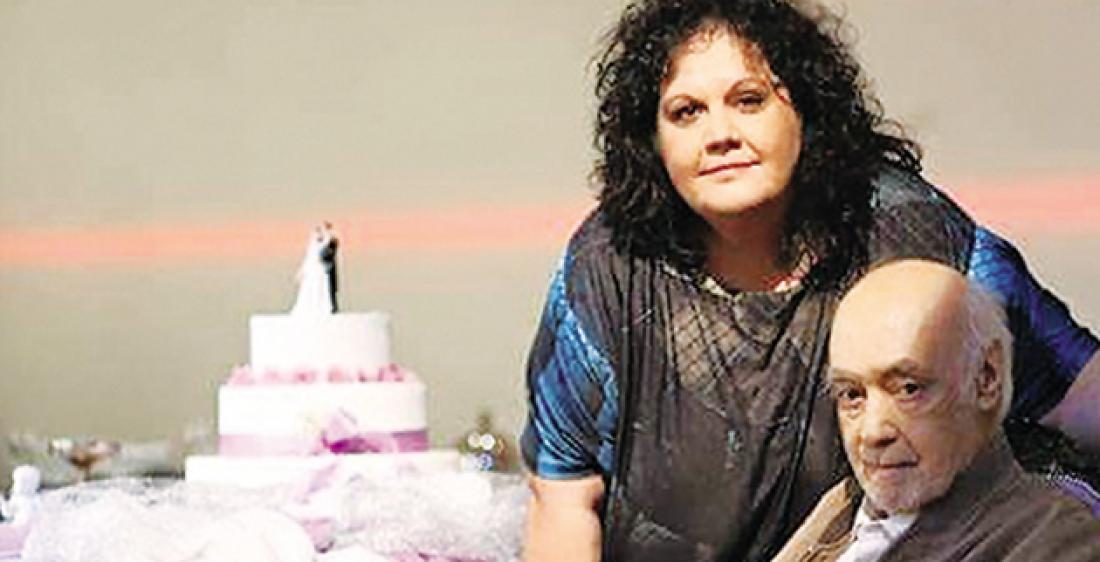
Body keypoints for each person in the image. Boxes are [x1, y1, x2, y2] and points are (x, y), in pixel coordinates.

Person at [520, 0, 1100, 560]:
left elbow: (1078, 394)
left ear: (805, 110)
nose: (719, 134)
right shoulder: (608, 266)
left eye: (749, 100)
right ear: (653, 139)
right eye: (686, 112)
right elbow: (563, 497)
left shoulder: (911, 233)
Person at [773, 260, 1100, 561]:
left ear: (986, 378)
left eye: (908, 389)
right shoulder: (844, 504)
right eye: (852, 395)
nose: (872, 432)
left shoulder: (1051, 538)